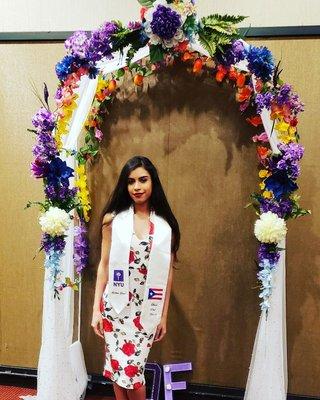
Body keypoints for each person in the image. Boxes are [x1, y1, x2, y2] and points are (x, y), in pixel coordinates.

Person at [91, 155, 180, 400]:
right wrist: (96, 310)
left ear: (153, 183)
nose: (137, 187)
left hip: (145, 312)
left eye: (143, 180)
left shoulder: (164, 226)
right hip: (115, 308)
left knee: (133, 371)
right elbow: (104, 265)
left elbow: (168, 273)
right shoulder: (113, 220)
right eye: (131, 182)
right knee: (117, 369)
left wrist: (163, 315)